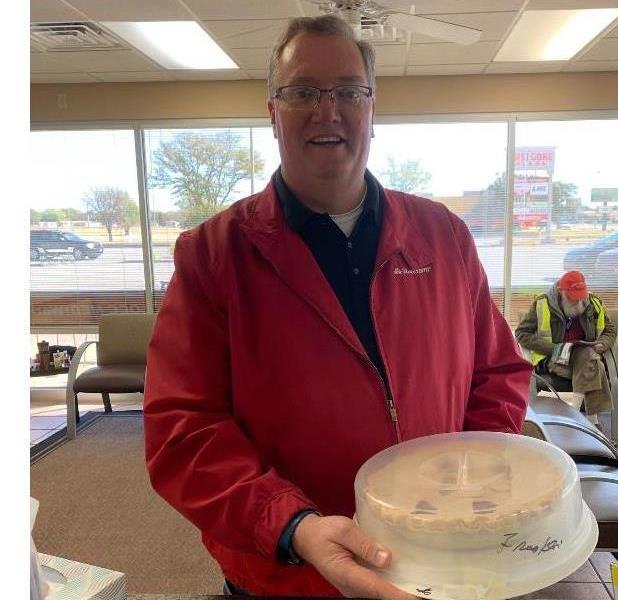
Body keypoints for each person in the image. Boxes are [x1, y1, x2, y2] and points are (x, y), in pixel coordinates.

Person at [143, 14, 531, 600]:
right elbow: (183, 430)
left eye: (348, 91)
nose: (328, 110)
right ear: (272, 111)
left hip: (438, 559)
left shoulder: (443, 236)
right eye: (303, 91)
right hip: (285, 572)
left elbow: (499, 372)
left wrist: (466, 478)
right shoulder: (213, 256)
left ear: (372, 108)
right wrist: (294, 526)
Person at [515, 270, 617, 427]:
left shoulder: (593, 303)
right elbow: (522, 334)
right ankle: (591, 422)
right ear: (561, 292)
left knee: (588, 356)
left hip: (585, 358)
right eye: (573, 298)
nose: (578, 302)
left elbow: (610, 329)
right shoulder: (542, 303)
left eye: (581, 297)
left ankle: (576, 416)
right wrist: (554, 348)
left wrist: (603, 343)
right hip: (554, 359)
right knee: (594, 364)